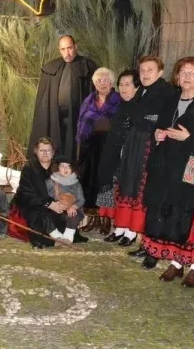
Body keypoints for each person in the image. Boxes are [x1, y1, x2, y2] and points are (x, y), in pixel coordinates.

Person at [140, 57, 194, 285]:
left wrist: (189, 138)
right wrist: (157, 135)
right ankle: (176, 263)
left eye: (192, 72)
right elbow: (160, 126)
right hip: (169, 165)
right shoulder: (172, 99)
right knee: (172, 212)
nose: (186, 76)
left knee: (191, 215)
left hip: (193, 165)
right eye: (182, 72)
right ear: (176, 76)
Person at [113, 56, 175, 254]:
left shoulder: (166, 91)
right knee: (128, 182)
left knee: (141, 186)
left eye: (150, 70)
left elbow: (158, 118)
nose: (145, 74)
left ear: (160, 72)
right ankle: (125, 227)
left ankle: (136, 232)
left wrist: (142, 119)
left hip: (149, 144)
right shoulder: (142, 91)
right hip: (135, 142)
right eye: (142, 70)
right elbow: (135, 114)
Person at [29, 35, 98, 160]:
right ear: (59, 50)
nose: (67, 53)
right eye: (63, 49)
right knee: (56, 145)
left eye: (69, 48)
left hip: (77, 116)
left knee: (74, 150)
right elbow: (44, 99)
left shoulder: (88, 67)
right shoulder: (51, 68)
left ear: (76, 47)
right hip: (55, 117)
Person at [75, 67, 121, 234]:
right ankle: (92, 218)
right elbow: (81, 124)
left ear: (112, 82)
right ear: (94, 83)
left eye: (106, 80)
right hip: (89, 148)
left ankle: (106, 219)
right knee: (90, 182)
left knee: (106, 183)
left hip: (109, 147)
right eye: (99, 81)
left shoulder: (119, 100)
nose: (102, 83)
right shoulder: (88, 101)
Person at [98, 70, 139, 242]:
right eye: (121, 84)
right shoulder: (119, 105)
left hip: (133, 157)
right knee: (117, 191)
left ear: (137, 87)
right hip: (116, 155)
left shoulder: (140, 106)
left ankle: (130, 231)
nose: (123, 88)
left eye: (127, 84)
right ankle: (120, 227)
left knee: (129, 192)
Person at [10, 138, 70, 248]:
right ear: (36, 151)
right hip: (31, 204)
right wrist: (49, 204)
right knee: (39, 216)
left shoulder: (58, 168)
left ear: (53, 152)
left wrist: (62, 202)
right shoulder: (29, 168)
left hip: (54, 203)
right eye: (42, 150)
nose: (45, 153)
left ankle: (59, 236)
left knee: (64, 217)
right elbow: (25, 194)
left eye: (48, 150)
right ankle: (55, 239)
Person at [45, 155, 88, 243]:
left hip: (71, 210)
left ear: (72, 169)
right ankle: (56, 235)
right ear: (57, 168)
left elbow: (81, 200)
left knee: (73, 214)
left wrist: (74, 206)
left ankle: (68, 237)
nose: (65, 169)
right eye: (62, 166)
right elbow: (45, 196)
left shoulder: (76, 184)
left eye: (68, 166)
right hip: (56, 208)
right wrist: (54, 205)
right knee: (44, 214)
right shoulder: (51, 181)